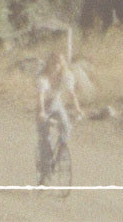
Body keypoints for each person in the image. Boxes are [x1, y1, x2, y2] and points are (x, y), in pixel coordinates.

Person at [36, 50, 82, 181]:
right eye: (53, 63)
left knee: (66, 127)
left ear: (62, 64)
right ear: (49, 64)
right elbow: (40, 96)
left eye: (59, 63)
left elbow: (71, 94)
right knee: (45, 140)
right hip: (44, 105)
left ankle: (61, 150)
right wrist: (41, 111)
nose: (56, 65)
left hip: (56, 103)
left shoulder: (66, 76)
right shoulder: (43, 77)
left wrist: (77, 109)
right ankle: (44, 174)